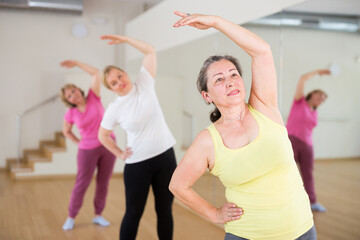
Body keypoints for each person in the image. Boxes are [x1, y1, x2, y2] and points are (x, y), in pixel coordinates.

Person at [169, 12, 316, 240]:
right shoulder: (208, 141)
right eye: (219, 79)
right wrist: (214, 214)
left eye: (234, 74)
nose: (230, 81)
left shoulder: (265, 107)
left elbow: (262, 51)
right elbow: (178, 185)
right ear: (207, 96)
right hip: (247, 235)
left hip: (302, 231)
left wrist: (216, 22)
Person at [98, 35, 177, 240]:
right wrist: (119, 153)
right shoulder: (114, 108)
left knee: (165, 210)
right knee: (134, 214)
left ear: (125, 73)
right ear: (111, 89)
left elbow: (150, 50)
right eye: (113, 83)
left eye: (119, 76)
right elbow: (103, 135)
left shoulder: (145, 81)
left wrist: (124, 39)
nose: (119, 82)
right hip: (138, 164)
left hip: (166, 157)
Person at [60, 60, 116, 231]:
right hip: (87, 151)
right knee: (82, 183)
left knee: (103, 183)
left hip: (108, 146)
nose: (73, 95)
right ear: (68, 100)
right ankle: (71, 216)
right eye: (69, 95)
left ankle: (98, 215)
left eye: (73, 91)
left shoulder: (94, 96)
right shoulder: (71, 113)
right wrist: (78, 143)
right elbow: (66, 131)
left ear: (79, 90)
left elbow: (96, 73)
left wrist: (76, 63)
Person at [287, 69, 330, 212]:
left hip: (307, 145)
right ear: (312, 94)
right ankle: (287, 201)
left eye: (324, 98)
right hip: (292, 140)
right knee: (288, 172)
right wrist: (319, 71)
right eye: (320, 95)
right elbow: (302, 78)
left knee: (308, 174)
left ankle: (312, 202)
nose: (322, 98)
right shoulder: (299, 102)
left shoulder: (314, 112)